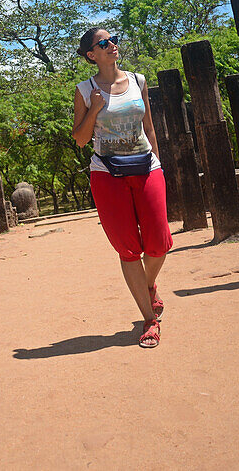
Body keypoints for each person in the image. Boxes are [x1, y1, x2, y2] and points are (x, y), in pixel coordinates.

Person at [72, 28, 171, 348]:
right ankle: (149, 319)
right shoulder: (85, 91)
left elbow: (149, 127)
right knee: (129, 249)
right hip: (107, 174)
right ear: (92, 55)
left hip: (146, 167)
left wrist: (158, 162)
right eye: (103, 43)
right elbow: (81, 139)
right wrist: (96, 109)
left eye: (112, 39)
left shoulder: (139, 81)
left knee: (158, 244)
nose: (112, 45)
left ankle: (149, 285)